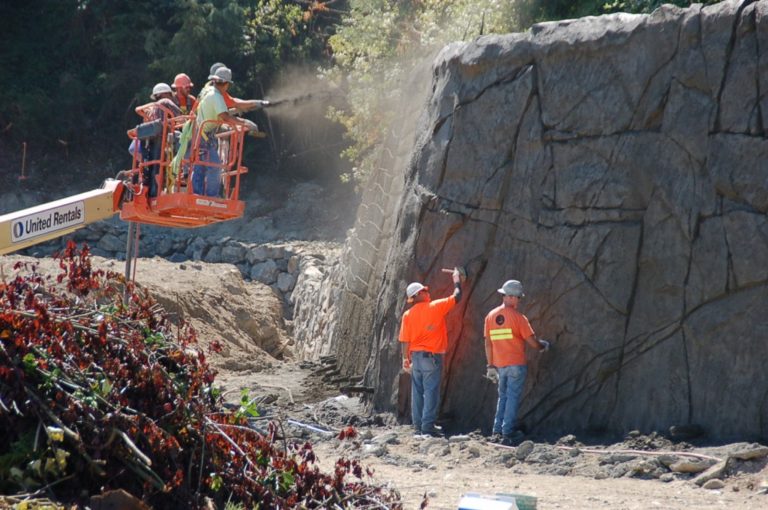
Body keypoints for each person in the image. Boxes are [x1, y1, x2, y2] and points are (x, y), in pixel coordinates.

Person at [484, 279, 550, 446]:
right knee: (512, 397)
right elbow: (532, 341)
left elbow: (488, 343)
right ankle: (508, 433)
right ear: (511, 297)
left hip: (499, 365)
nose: (519, 301)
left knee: (503, 397)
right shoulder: (518, 318)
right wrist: (543, 346)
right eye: (519, 297)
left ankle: (497, 431)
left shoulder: (490, 316)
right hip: (515, 364)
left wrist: (490, 365)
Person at [399, 268, 462, 437]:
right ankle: (427, 427)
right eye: (425, 291)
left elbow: (405, 340)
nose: (428, 292)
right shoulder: (434, 307)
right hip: (431, 357)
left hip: (416, 358)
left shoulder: (407, 314)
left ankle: (418, 426)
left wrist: (405, 358)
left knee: (417, 393)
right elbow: (457, 297)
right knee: (431, 392)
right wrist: (457, 280)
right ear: (419, 294)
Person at [192, 66, 249, 197]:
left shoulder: (208, 92)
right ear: (226, 84)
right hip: (205, 138)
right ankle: (211, 196)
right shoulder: (216, 96)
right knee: (215, 167)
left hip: (199, 136)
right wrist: (244, 123)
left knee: (200, 167)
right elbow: (225, 116)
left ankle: (197, 194)